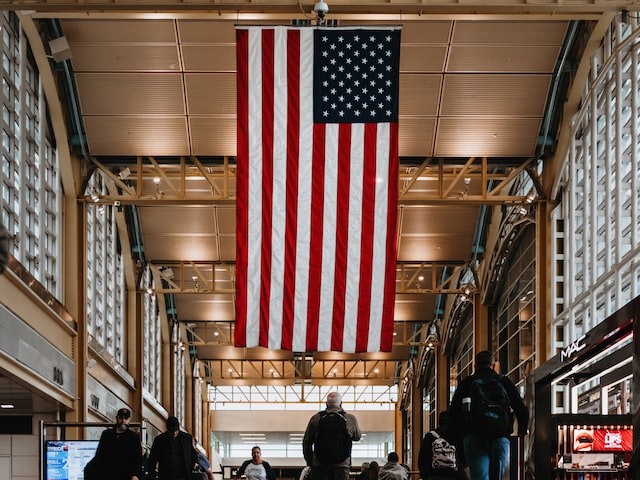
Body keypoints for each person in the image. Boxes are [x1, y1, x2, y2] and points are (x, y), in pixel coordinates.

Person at [448, 351, 529, 480]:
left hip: (474, 437)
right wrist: (522, 430)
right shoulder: (504, 382)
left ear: (475, 366)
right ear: (493, 365)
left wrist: (458, 437)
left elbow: (453, 413)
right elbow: (521, 408)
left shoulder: (467, 383)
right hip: (499, 436)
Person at [303, 391, 362, 480]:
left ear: (326, 404)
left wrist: (310, 461)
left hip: (319, 465)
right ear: (341, 404)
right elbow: (357, 437)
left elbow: (307, 441)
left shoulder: (316, 418)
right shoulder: (350, 418)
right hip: (342, 465)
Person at [85, 407, 142, 480]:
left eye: (125, 418)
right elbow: (99, 455)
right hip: (108, 474)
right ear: (117, 418)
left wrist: (135, 475)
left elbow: (137, 459)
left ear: (129, 420)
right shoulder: (107, 435)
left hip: (125, 475)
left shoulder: (133, 438)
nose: (123, 421)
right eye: (121, 418)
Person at [147, 416, 198, 480]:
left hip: (184, 475)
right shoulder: (159, 440)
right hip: (166, 475)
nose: (174, 433)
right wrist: (152, 476)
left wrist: (195, 462)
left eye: (176, 431)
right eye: (171, 431)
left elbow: (193, 453)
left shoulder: (187, 438)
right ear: (167, 429)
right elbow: (152, 460)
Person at [418, 411, 464, 479]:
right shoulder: (457, 436)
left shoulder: (429, 436)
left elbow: (422, 459)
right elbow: (463, 458)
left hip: (434, 476)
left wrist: (426, 476)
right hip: (454, 475)